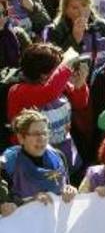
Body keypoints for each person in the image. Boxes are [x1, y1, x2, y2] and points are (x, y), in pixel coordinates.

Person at [8, 43, 88, 172]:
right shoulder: (18, 91)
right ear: (42, 75)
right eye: (57, 69)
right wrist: (66, 66)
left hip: (65, 153)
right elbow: (49, 93)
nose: (61, 72)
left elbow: (80, 103)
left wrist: (80, 84)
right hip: (34, 162)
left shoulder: (59, 84)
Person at [0, 109, 77, 216]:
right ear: (21, 138)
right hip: (23, 225)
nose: (41, 139)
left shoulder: (58, 157)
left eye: (45, 133)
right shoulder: (8, 163)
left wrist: (70, 190)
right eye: (36, 134)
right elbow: (5, 203)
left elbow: (65, 186)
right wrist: (30, 201)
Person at [41, 0, 105, 70]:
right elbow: (52, 65)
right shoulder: (54, 31)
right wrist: (74, 40)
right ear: (65, 9)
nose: (81, 12)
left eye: (84, 5)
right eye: (75, 8)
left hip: (100, 81)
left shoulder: (104, 27)